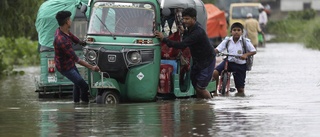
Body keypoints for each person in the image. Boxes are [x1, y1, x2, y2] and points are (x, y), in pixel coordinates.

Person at [155, 8, 215, 99]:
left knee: (201, 88)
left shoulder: (198, 32)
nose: (184, 21)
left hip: (207, 62)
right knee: (196, 87)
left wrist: (164, 39)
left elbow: (181, 45)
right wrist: (184, 31)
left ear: (194, 19)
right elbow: (187, 36)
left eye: (187, 19)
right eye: (183, 19)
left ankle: (209, 106)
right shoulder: (190, 29)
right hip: (197, 61)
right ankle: (201, 108)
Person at [54, 11, 100, 103]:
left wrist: (82, 42)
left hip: (69, 63)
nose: (71, 21)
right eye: (70, 19)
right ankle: (85, 105)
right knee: (84, 86)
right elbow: (76, 59)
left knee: (77, 84)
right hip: (65, 67)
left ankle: (76, 105)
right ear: (67, 22)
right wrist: (92, 67)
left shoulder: (63, 31)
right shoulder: (61, 40)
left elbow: (72, 36)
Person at [213, 22, 257, 97]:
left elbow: (253, 51)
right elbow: (218, 49)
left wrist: (245, 55)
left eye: (238, 30)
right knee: (215, 72)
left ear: (242, 32)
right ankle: (215, 91)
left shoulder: (245, 41)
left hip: (240, 65)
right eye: (234, 30)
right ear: (231, 32)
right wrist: (211, 51)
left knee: (240, 90)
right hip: (229, 62)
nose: (236, 32)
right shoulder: (227, 41)